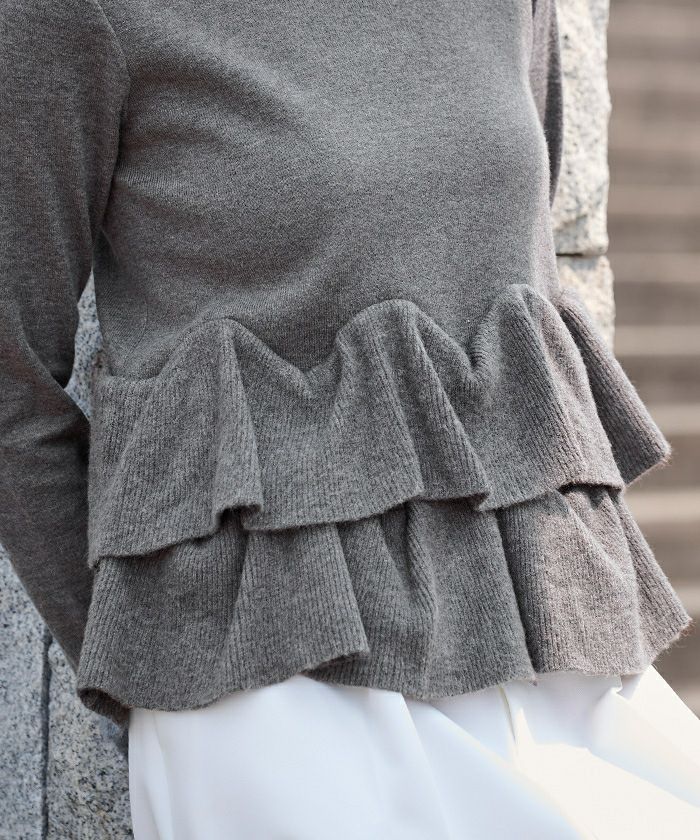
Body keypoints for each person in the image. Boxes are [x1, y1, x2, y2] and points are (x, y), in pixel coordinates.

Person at [1, 0, 698, 837]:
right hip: (271, 692)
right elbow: (11, 392)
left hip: (554, 645)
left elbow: (521, 290)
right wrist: (155, 648)